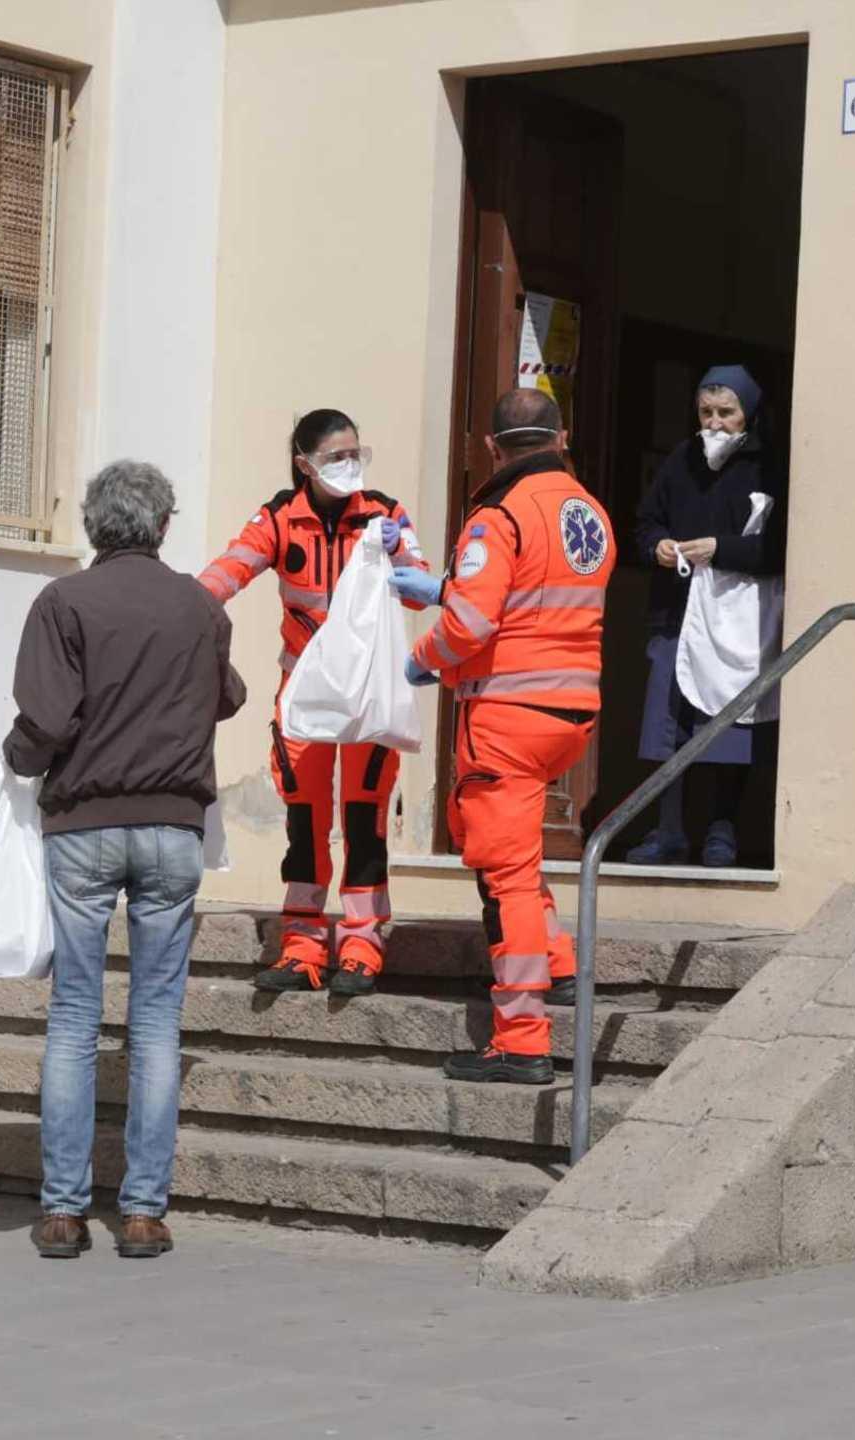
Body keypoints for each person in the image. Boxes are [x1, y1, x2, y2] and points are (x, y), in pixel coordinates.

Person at [3, 460, 246, 1261]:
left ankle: (64, 1213)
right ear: (165, 525)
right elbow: (228, 696)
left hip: (83, 824)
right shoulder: (200, 608)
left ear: (90, 525)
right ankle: (143, 1214)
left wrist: (13, 759)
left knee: (75, 1016)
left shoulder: (64, 601)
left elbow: (45, 718)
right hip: (173, 827)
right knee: (155, 1023)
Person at [394, 388, 615, 1084]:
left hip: (509, 718)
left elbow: (472, 627)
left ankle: (521, 1036)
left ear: (494, 448)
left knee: (506, 878)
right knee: (522, 856)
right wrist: (441, 589)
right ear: (563, 436)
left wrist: (421, 659)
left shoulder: (497, 515)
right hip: (571, 712)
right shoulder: (590, 511)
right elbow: (535, 596)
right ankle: (561, 966)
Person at [198, 409, 429, 996]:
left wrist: (402, 558)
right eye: (336, 456)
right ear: (305, 463)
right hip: (304, 695)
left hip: (367, 697)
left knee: (363, 818)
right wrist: (178, 606)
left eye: (357, 453)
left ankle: (362, 945)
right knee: (305, 821)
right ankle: (301, 944)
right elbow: (230, 569)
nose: (350, 465)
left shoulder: (384, 514)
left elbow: (420, 588)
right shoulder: (282, 518)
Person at [628, 364, 786, 868]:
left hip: (739, 617)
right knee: (668, 722)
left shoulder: (770, 467)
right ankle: (667, 829)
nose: (714, 424)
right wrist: (658, 547)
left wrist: (722, 549)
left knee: (730, 722)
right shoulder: (681, 460)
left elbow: (780, 548)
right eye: (705, 413)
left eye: (726, 413)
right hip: (677, 613)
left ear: (749, 416)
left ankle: (722, 830)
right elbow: (646, 522)